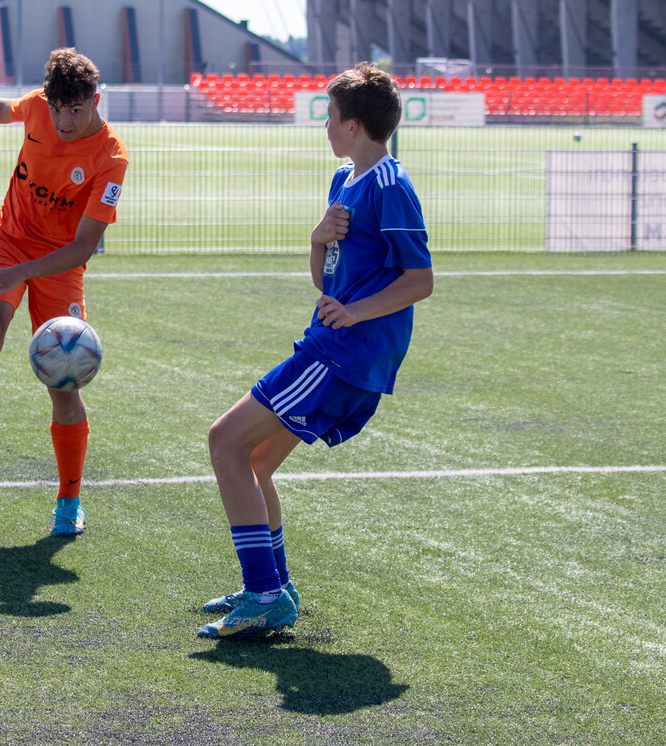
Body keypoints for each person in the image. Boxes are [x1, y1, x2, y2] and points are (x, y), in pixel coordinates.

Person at [197, 62, 434, 639]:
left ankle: (263, 592)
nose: (324, 126)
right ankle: (272, 586)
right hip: (332, 342)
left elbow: (420, 279)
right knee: (254, 461)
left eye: (329, 117)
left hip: (343, 353)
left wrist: (354, 313)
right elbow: (325, 281)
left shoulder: (390, 186)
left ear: (354, 125)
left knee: (224, 441)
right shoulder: (343, 182)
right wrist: (316, 238)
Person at [0, 48, 128, 537]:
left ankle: (69, 500)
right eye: (56, 108)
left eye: (75, 110)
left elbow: (81, 249)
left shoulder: (111, 158)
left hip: (59, 263)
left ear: (95, 101)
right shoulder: (39, 106)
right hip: (8, 240)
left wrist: (20, 274)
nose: (63, 120)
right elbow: (0, 109)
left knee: (64, 381)